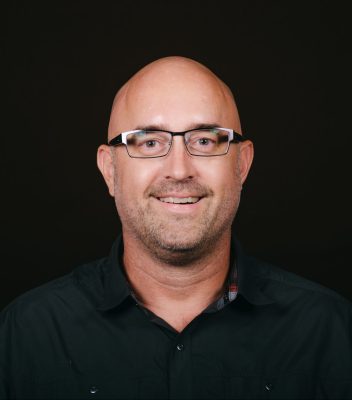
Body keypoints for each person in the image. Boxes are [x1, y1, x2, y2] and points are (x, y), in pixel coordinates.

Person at [1, 56, 351, 399]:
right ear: (110, 171)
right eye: (150, 142)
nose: (179, 170)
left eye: (204, 140)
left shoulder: (329, 331)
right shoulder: (25, 335)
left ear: (242, 165)